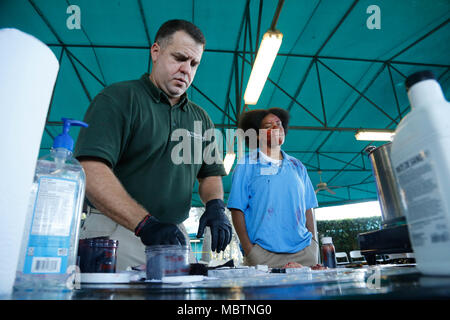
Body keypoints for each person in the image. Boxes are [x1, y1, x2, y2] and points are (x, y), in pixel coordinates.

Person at [74, 19, 232, 270]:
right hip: (115, 230)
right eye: (180, 58)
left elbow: (210, 175)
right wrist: (143, 223)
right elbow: (90, 169)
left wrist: (215, 205)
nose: (186, 70)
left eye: (194, 64)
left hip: (174, 235)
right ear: (156, 52)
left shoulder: (201, 118)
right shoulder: (118, 99)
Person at [227, 108, 319, 268]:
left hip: (304, 254)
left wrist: (313, 244)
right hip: (263, 256)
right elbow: (237, 210)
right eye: (269, 126)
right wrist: (250, 251)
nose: (277, 128)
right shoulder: (246, 165)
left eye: (279, 124)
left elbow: (308, 207)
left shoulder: (297, 166)